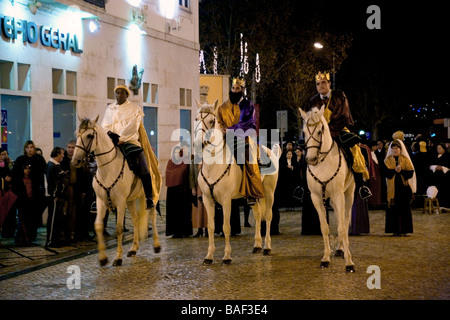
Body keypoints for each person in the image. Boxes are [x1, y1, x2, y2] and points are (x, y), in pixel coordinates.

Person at [303, 71, 371, 200]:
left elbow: (342, 114)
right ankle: (303, 187)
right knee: (306, 150)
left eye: (323, 83)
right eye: (318, 84)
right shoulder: (312, 100)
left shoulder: (339, 95)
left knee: (353, 148)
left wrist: (328, 130)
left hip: (339, 130)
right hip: (319, 134)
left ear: (329, 84)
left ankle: (361, 185)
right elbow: (309, 119)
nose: (320, 86)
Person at [101, 85, 155, 209]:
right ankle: (97, 195)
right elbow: (104, 125)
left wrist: (121, 138)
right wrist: (110, 134)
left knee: (144, 168)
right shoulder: (110, 108)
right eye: (117, 93)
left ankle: (149, 197)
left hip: (130, 142)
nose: (119, 95)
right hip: (112, 142)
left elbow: (133, 126)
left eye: (122, 93)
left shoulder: (134, 109)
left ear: (126, 95)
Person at [215, 76, 264, 206]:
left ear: (242, 90)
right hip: (226, 139)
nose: (235, 90)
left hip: (244, 138)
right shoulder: (222, 107)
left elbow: (246, 124)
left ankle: (251, 193)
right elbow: (218, 121)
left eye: (238, 88)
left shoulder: (248, 105)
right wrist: (221, 129)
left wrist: (229, 130)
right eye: (233, 88)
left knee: (247, 158)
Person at [12, 141, 47, 236]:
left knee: (34, 214)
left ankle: (32, 234)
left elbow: (44, 173)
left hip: (36, 191)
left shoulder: (39, 159)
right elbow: (15, 176)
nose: (30, 149)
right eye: (27, 147)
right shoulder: (20, 160)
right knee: (23, 216)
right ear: (25, 149)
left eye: (31, 147)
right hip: (23, 191)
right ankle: (23, 235)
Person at [384, 139, 415, 236]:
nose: (395, 150)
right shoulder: (387, 160)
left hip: (403, 188)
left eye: (396, 148)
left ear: (400, 149)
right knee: (393, 209)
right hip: (392, 188)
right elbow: (385, 173)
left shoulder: (405, 159)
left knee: (404, 208)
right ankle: (395, 230)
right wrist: (395, 171)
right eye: (393, 148)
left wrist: (401, 171)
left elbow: (410, 172)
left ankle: (404, 229)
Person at [165, 145, 192, 238]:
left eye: (178, 152)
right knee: (173, 212)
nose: (176, 154)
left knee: (183, 211)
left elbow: (183, 173)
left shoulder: (185, 162)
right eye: (175, 152)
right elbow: (169, 173)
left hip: (183, 190)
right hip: (172, 191)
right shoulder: (170, 162)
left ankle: (184, 231)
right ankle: (175, 231)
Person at [46, 147, 70, 247]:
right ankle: (51, 241)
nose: (63, 156)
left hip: (59, 197)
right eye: (62, 154)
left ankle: (56, 239)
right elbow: (52, 182)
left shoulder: (56, 166)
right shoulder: (52, 166)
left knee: (57, 220)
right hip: (55, 198)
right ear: (57, 154)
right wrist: (55, 195)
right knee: (53, 220)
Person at [428, 143, 450, 210]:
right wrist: (435, 167)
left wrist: (442, 168)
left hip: (445, 176)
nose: (438, 149)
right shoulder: (434, 156)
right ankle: (436, 205)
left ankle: (445, 205)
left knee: (444, 190)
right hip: (436, 176)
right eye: (437, 148)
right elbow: (430, 165)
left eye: (440, 148)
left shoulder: (448, 156)